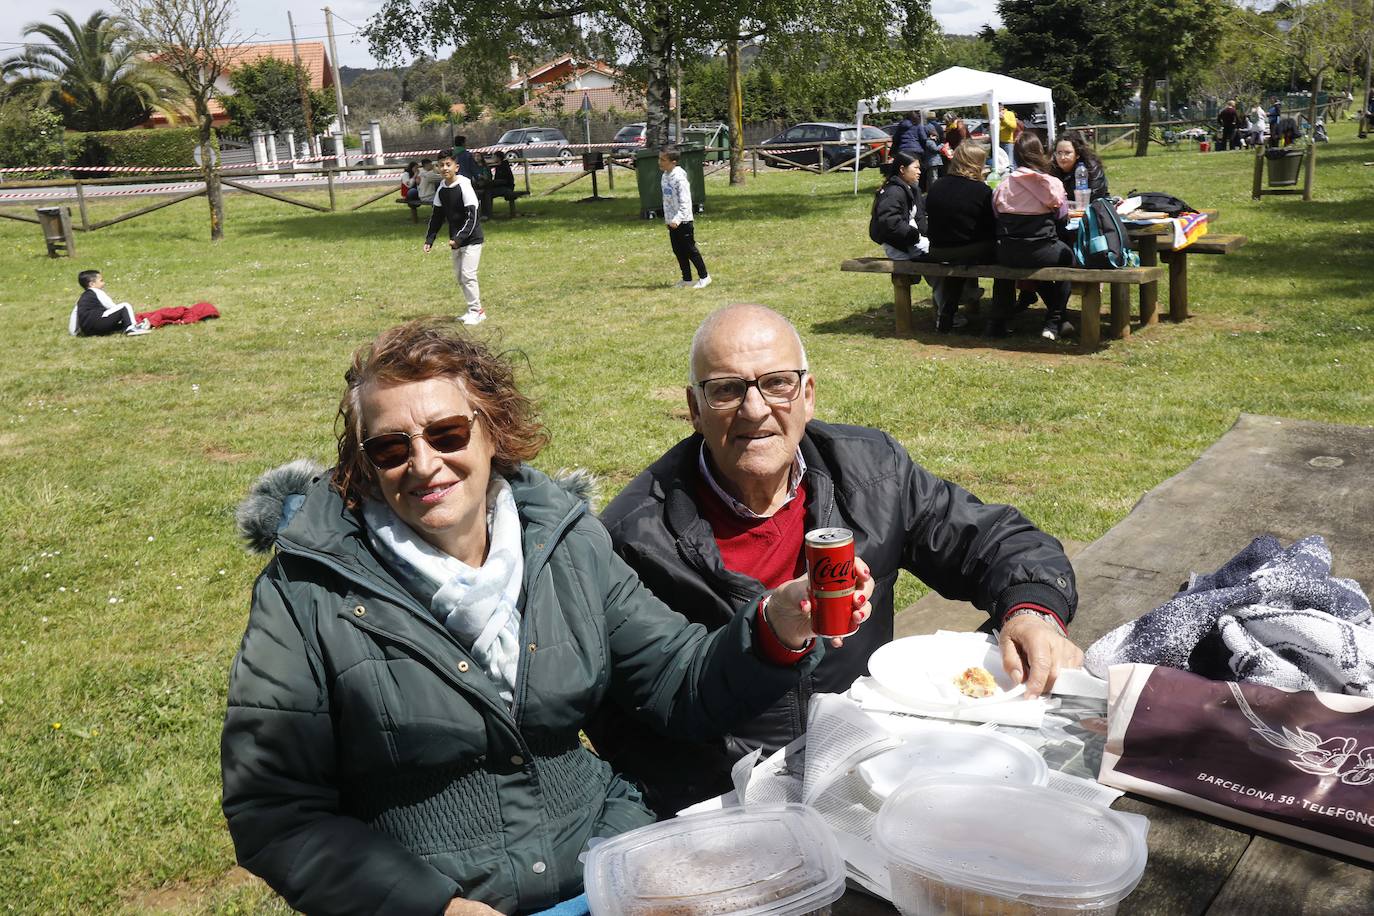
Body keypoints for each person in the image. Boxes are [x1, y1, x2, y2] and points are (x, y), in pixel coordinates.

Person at [221, 319, 873, 915]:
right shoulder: (306, 590)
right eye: (390, 448)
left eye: (447, 434)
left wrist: (776, 625)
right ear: (363, 462)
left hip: (611, 873)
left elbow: (677, 682)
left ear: (492, 430)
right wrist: (431, 908)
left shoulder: (564, 543)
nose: (423, 464)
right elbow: (275, 811)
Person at [584, 303, 1083, 816]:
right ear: (694, 407)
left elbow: (994, 540)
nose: (755, 410)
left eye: (777, 383)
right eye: (727, 389)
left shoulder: (872, 472)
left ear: (808, 394)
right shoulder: (635, 536)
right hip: (728, 801)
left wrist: (1032, 608)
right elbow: (625, 717)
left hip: (874, 768)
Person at [990, 132, 1073, 342]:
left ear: (1016, 155)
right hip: (1042, 252)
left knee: (1007, 270)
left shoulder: (1003, 186)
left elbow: (997, 215)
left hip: (1009, 253)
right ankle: (1054, 320)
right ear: (1039, 152)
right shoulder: (1051, 183)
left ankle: (997, 323)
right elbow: (1062, 217)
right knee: (1069, 259)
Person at [922, 141, 1001, 333]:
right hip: (968, 251)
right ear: (976, 164)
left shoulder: (936, 186)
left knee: (958, 260)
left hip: (938, 251)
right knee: (1002, 254)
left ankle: (948, 313)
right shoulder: (981, 191)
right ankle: (1000, 318)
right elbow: (991, 228)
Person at [424, 153, 486, 325]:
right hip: (456, 240)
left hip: (472, 239)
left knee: (468, 275)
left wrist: (460, 238)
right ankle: (472, 310)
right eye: (441, 165)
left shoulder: (464, 186)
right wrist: (430, 239)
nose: (445, 168)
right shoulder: (442, 189)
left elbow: (473, 216)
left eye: (448, 164)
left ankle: (477, 311)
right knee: (460, 277)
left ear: (456, 167)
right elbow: (437, 216)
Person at [659, 147, 711, 289]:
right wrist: (668, 219)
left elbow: (685, 201)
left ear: (673, 162)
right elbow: (667, 200)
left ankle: (704, 276)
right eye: (660, 159)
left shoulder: (679, 178)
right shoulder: (664, 176)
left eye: (663, 160)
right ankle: (687, 279)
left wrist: (678, 219)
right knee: (678, 251)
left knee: (690, 250)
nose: (660, 162)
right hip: (672, 222)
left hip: (684, 220)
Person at [867, 150, 929, 260]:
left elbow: (919, 217)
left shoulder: (912, 190)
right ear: (902, 169)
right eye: (915, 168)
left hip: (913, 243)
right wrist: (914, 235)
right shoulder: (893, 192)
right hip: (900, 246)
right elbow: (890, 222)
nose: (919, 172)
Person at [68, 269, 151, 337]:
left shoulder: (81, 298)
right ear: (92, 284)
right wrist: (125, 316)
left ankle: (129, 326)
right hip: (99, 323)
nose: (103, 283)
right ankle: (132, 328)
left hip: (88, 331)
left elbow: (74, 315)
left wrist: (74, 332)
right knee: (125, 306)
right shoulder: (97, 291)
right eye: (101, 281)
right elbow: (111, 307)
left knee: (118, 325)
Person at [1048, 131, 1109, 203]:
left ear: (1077, 154)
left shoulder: (1091, 168)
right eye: (1059, 153)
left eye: (1067, 153)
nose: (1062, 157)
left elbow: (1094, 196)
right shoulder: (1051, 169)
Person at [918, 109, 944, 190]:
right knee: (934, 177)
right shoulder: (938, 127)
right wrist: (942, 144)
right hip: (933, 160)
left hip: (930, 159)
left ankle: (929, 189)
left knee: (930, 177)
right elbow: (936, 148)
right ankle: (934, 190)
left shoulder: (925, 127)